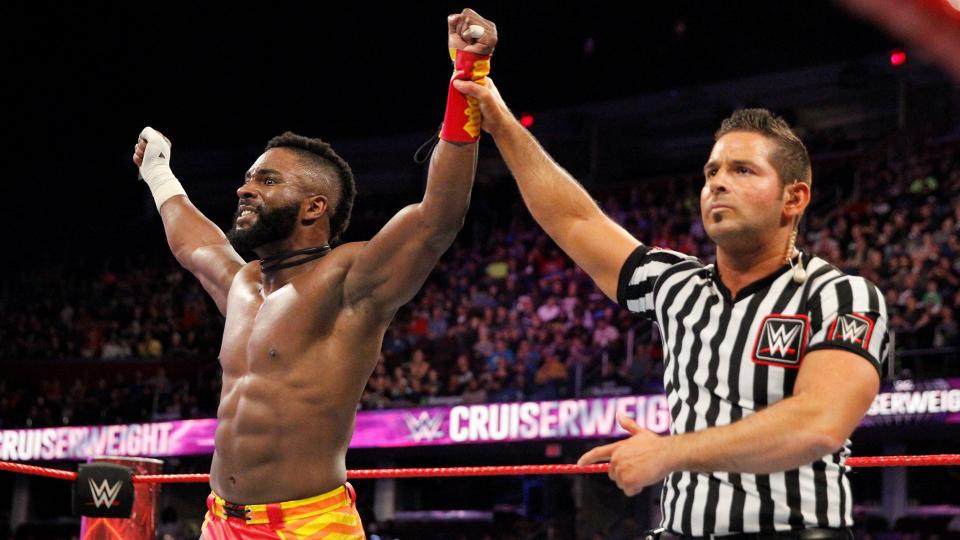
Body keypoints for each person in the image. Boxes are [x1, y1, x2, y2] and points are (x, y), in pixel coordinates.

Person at [454, 76, 887, 537]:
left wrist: (670, 451)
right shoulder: (676, 285)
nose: (718, 183)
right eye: (711, 172)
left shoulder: (840, 295)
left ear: (793, 198)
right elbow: (574, 219)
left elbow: (820, 423)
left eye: (743, 170)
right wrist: (500, 121)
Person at [132, 9, 497, 538]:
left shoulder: (347, 281)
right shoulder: (243, 285)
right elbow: (196, 244)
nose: (244, 189)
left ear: (314, 207)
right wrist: (158, 173)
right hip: (219, 522)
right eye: (248, 178)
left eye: (266, 180)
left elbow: (436, 218)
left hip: (309, 526)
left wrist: (468, 74)